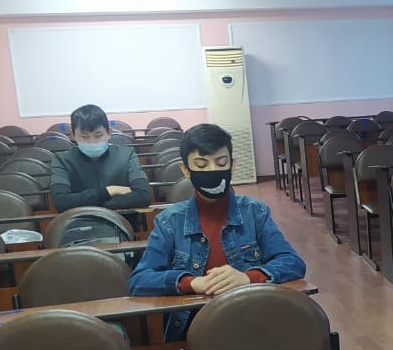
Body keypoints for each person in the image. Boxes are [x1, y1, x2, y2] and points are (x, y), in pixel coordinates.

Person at [128, 123, 306, 337]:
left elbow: (292, 262)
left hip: (254, 324)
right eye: (201, 165)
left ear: (232, 164)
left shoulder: (254, 212)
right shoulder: (169, 221)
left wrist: (248, 278)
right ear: (185, 169)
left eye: (221, 163)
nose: (212, 170)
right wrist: (192, 283)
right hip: (193, 331)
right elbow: (140, 280)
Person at [50, 104, 151, 212]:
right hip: (80, 221)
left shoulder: (127, 155)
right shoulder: (62, 160)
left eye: (98, 135)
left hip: (122, 220)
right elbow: (61, 202)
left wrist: (94, 204)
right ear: (73, 136)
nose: (92, 142)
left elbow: (143, 196)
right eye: (84, 136)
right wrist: (109, 191)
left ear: (109, 133)